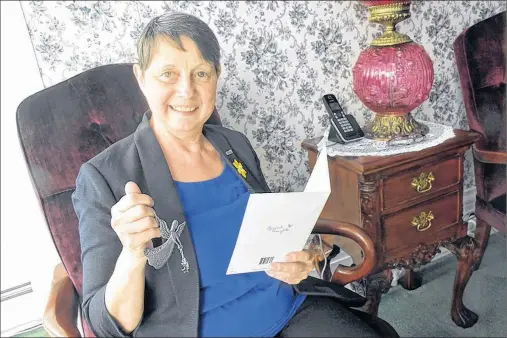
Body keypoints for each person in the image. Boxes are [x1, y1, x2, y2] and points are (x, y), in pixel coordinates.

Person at [72, 11, 383, 337]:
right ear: (141, 78)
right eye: (168, 74)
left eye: (201, 74)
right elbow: (106, 325)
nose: (186, 90)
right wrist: (133, 253)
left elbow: (275, 234)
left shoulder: (233, 144)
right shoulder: (103, 178)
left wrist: (306, 256)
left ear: (216, 77)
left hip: (288, 311)